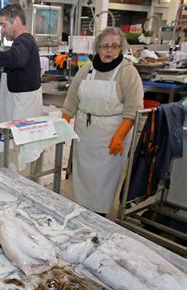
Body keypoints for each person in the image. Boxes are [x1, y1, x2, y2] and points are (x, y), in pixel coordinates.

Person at [61, 27, 143, 215]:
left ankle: (99, 215)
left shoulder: (128, 72)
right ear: (97, 48)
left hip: (111, 137)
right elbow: (71, 101)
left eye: (114, 46)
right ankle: (81, 211)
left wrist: (119, 136)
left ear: (120, 48)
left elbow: (133, 110)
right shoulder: (86, 70)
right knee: (83, 177)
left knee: (103, 181)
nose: (109, 51)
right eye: (105, 46)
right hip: (85, 135)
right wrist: (62, 125)